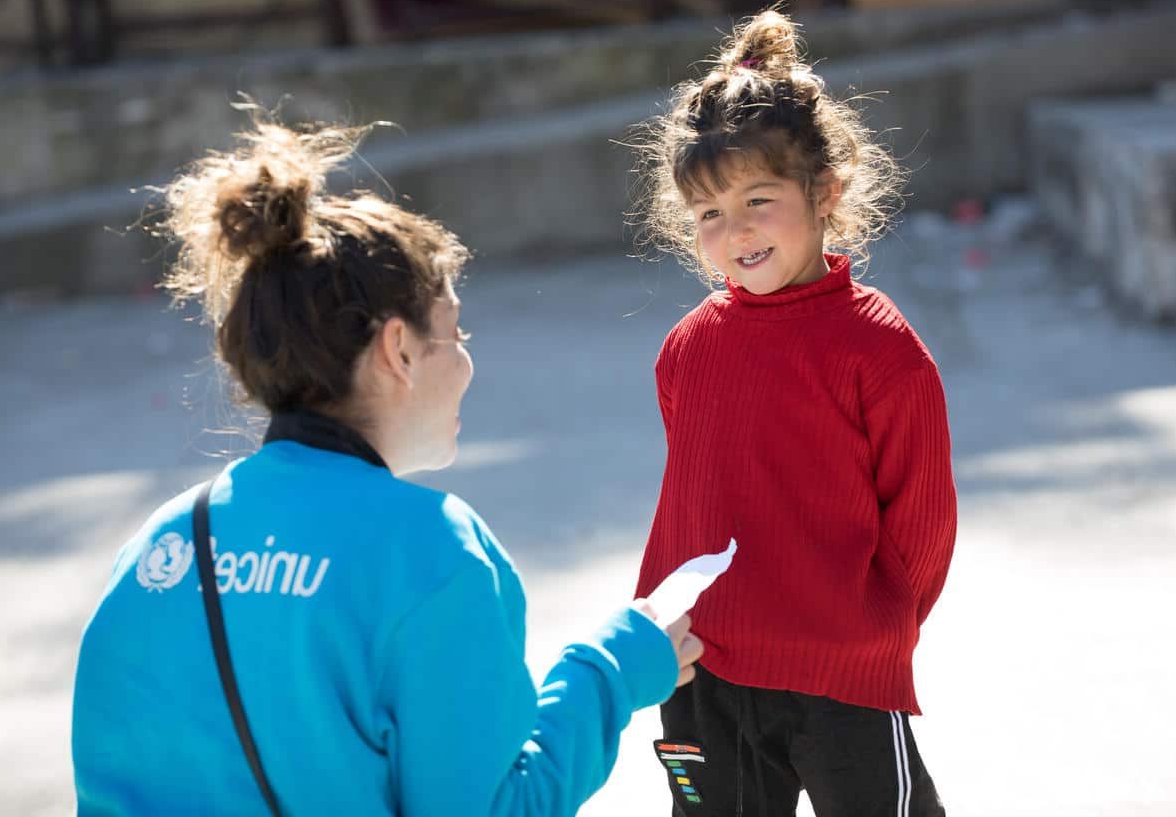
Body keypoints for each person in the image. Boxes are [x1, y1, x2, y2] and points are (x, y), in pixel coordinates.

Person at [71, 119, 703, 815]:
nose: (466, 360)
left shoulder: (159, 545)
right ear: (398, 350)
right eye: (454, 332)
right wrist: (612, 668)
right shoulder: (432, 550)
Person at [630, 8, 957, 816]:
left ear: (825, 192)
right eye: (708, 213)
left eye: (757, 200)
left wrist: (867, 635)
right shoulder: (687, 348)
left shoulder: (880, 351)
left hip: (841, 677)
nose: (733, 230)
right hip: (703, 674)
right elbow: (691, 505)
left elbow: (922, 528)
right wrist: (656, 633)